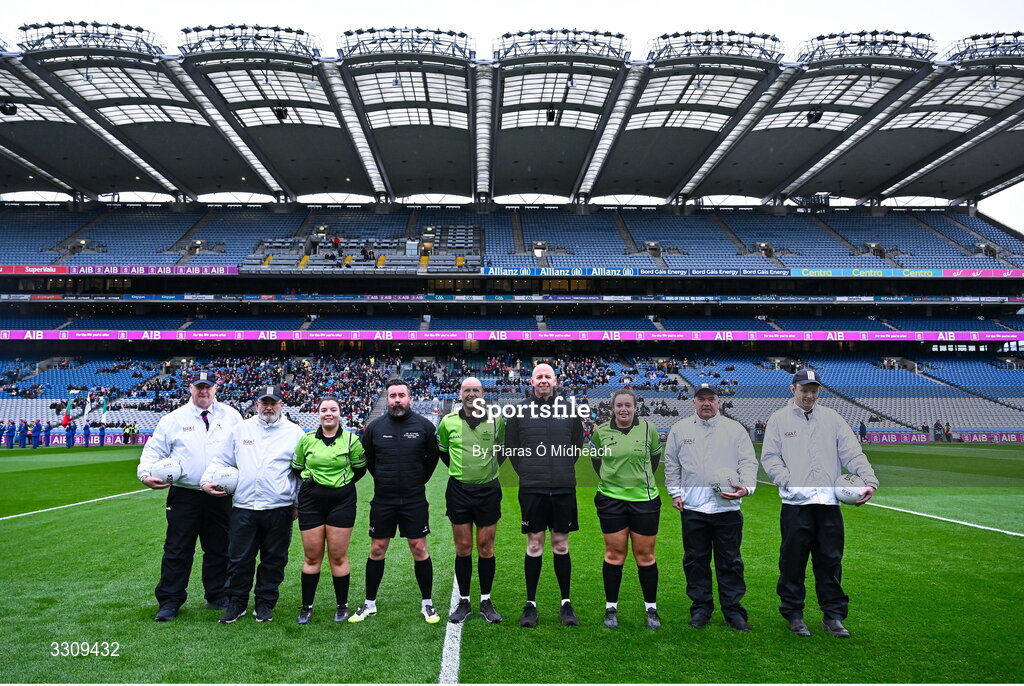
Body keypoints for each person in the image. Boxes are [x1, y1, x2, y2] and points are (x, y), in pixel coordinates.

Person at [761, 368, 879, 639]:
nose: (809, 395)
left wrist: (869, 480)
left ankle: (833, 616)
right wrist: (788, 481)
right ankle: (793, 613)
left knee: (830, 560)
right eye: (804, 390)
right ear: (793, 390)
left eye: (813, 390)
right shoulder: (778, 419)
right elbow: (770, 458)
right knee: (792, 561)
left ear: (819, 391)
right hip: (795, 504)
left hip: (828, 503)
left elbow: (852, 453)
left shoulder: (832, 418)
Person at [137, 370, 243, 622]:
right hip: (185, 493)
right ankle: (170, 601)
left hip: (219, 493)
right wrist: (144, 474)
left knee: (220, 547)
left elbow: (242, 450)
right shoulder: (173, 419)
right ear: (190, 388)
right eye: (199, 387)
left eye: (208, 387)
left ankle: (217, 594)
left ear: (216, 388)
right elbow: (154, 450)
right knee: (177, 548)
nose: (203, 391)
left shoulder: (232, 416)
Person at [202, 385, 306, 624]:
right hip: (245, 506)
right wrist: (207, 480)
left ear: (282, 405)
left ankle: (265, 603)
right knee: (238, 558)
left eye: (273, 403)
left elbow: (300, 472)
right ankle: (237, 603)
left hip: (279, 507)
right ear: (256, 405)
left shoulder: (295, 433)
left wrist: (297, 503)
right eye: (264, 403)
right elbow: (221, 459)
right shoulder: (241, 430)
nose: (268, 407)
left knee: (274, 558)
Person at [665, 383, 757, 632]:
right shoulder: (679, 429)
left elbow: (748, 462)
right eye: (701, 399)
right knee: (695, 561)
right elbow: (672, 464)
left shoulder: (735, 430)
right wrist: (675, 493)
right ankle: (701, 608)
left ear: (719, 402)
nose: (706, 403)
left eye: (711, 399)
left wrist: (747, 487)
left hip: (726, 508)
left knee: (730, 561)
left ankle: (733, 610)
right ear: (693, 402)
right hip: (693, 508)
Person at [349, 379, 441, 624]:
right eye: (393, 395)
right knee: (377, 548)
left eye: (402, 395)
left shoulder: (424, 426)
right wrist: (382, 478)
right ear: (387, 399)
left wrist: (417, 480)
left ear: (410, 398)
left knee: (419, 548)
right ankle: (369, 603)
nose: (397, 399)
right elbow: (367, 458)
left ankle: (427, 603)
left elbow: (432, 458)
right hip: (383, 500)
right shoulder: (374, 427)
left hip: (414, 500)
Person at [504, 363, 586, 628]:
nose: (542, 380)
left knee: (561, 544)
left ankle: (565, 603)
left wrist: (560, 468)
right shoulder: (518, 411)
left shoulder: (570, 410)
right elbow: (512, 448)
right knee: (535, 544)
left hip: (563, 487)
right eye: (538, 376)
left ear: (555, 380)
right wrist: (529, 470)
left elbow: (576, 445)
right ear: (531, 381)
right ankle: (531, 604)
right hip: (532, 487)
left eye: (547, 376)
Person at [587, 388, 664, 630]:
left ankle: (651, 609)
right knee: (614, 554)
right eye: (619, 405)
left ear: (635, 408)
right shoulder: (600, 431)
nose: (623, 409)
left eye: (627, 405)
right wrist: (613, 481)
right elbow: (596, 461)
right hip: (611, 500)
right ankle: (611, 608)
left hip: (645, 499)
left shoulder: (648, 429)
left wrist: (638, 481)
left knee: (645, 556)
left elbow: (654, 460)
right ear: (612, 408)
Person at [436, 377, 505, 624]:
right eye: (467, 390)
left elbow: (502, 451)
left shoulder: (496, 420)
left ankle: (486, 600)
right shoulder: (448, 422)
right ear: (460, 393)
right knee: (463, 547)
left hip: (488, 491)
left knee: (486, 548)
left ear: (483, 393)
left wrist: (486, 473)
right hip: (459, 491)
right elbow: (443, 452)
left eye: (476, 390)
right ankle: (464, 600)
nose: (472, 394)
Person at [292, 396, 367, 624]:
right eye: (324, 409)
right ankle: (307, 607)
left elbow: (360, 470)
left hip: (342, 501)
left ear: (339, 413)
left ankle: (342, 606)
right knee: (312, 556)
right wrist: (315, 483)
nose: (328, 413)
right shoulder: (306, 440)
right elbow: (297, 468)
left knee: (338, 556)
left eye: (333, 409)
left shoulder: (351, 440)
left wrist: (338, 486)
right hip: (311, 501)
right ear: (319, 413)